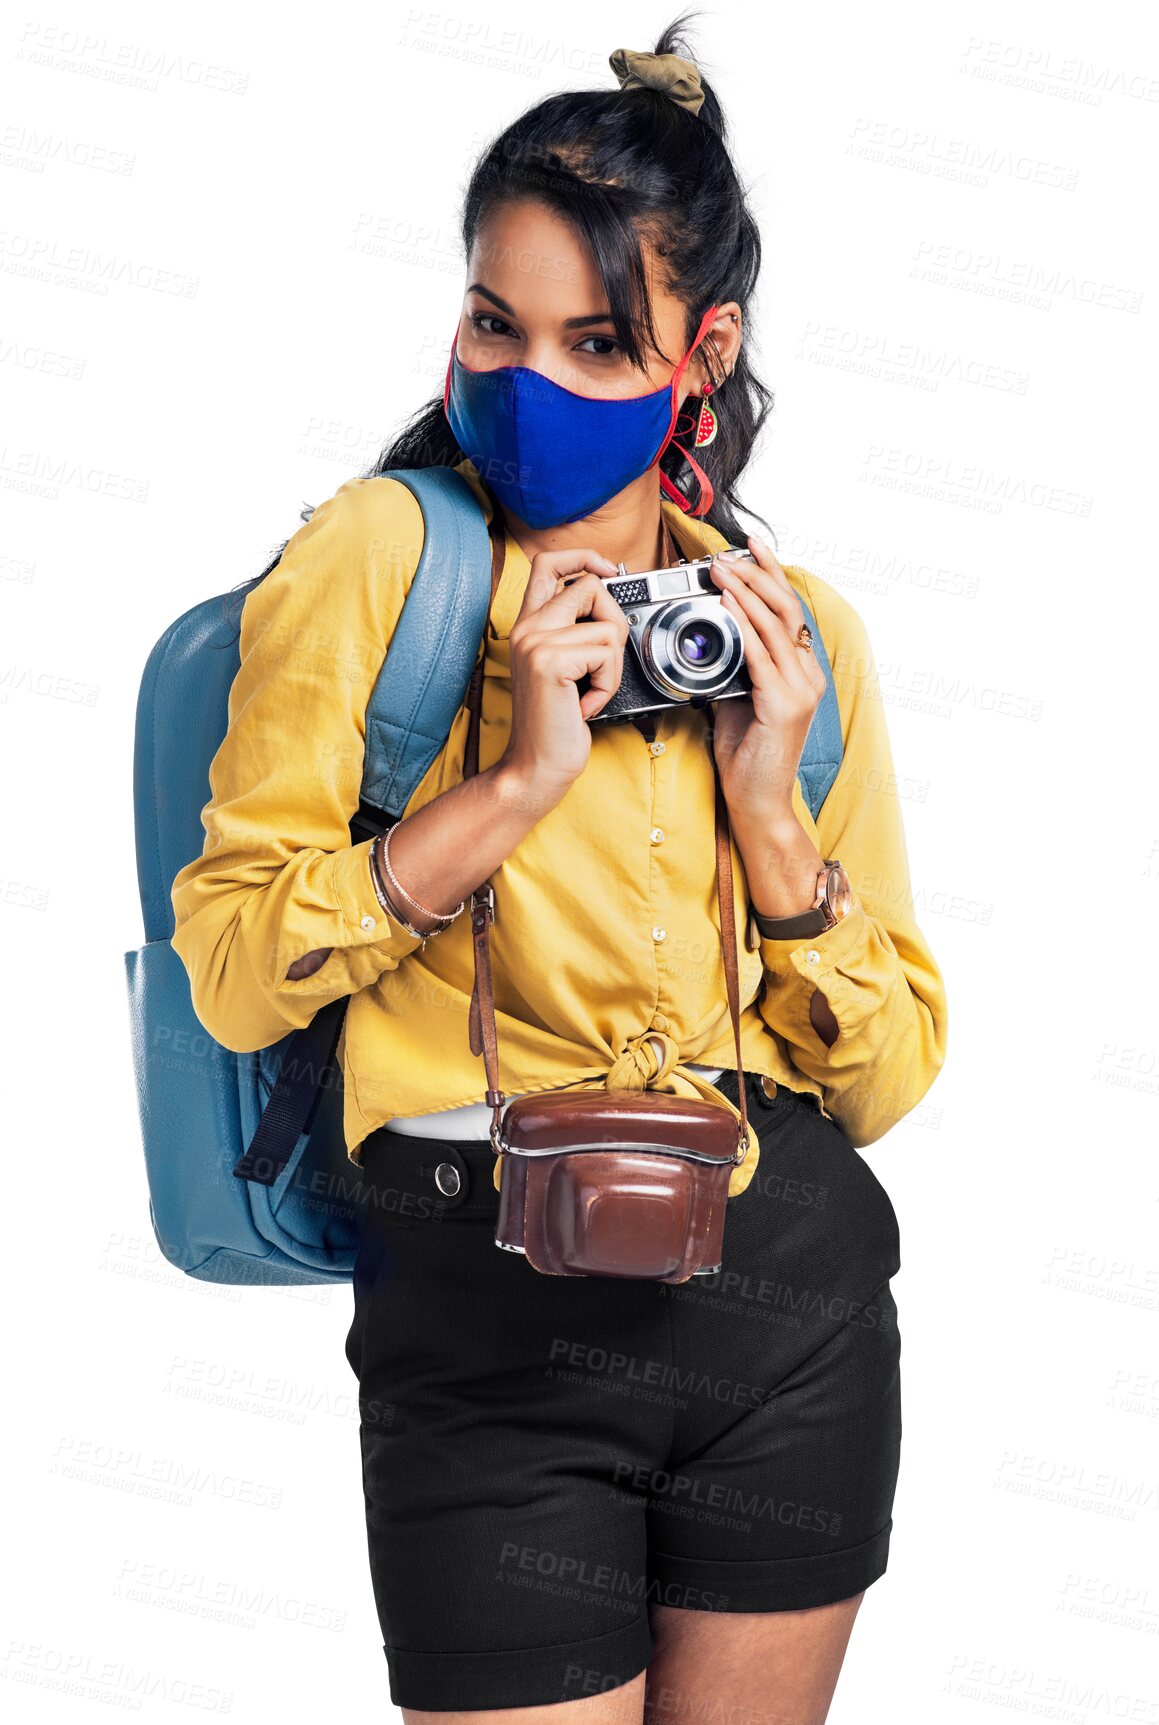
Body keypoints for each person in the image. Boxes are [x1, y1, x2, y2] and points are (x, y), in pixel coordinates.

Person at [170, 16, 948, 1722]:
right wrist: (517, 780)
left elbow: (886, 1078)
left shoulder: (797, 634)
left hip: (790, 1304)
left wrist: (772, 814)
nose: (532, 381)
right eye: (494, 321)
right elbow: (227, 965)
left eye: (603, 342)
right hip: (486, 1317)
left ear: (706, 345)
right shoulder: (381, 560)